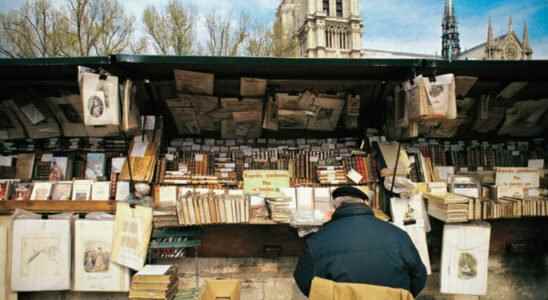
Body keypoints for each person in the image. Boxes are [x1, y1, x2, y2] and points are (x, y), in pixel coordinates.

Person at [294, 186, 427, 298]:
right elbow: (419, 276)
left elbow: (304, 281)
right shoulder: (398, 235)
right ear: (365, 203)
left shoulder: (317, 240)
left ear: (335, 207)